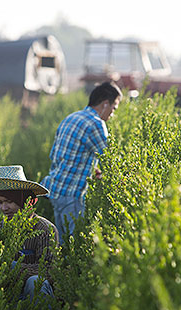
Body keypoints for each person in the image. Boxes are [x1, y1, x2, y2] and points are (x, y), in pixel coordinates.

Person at [41, 81, 122, 243]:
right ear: (105, 104)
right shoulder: (96, 124)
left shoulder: (71, 118)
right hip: (72, 195)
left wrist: (92, 170)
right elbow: (111, 160)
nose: (112, 115)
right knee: (75, 246)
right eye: (113, 109)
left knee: (62, 246)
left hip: (55, 189)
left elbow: (58, 155)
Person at [0, 165, 58, 301]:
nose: (4, 208)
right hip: (6, 291)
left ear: (24, 201)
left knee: (35, 282)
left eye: (9, 201)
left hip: (34, 294)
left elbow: (50, 269)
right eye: (0, 202)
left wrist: (13, 268)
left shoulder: (44, 229)